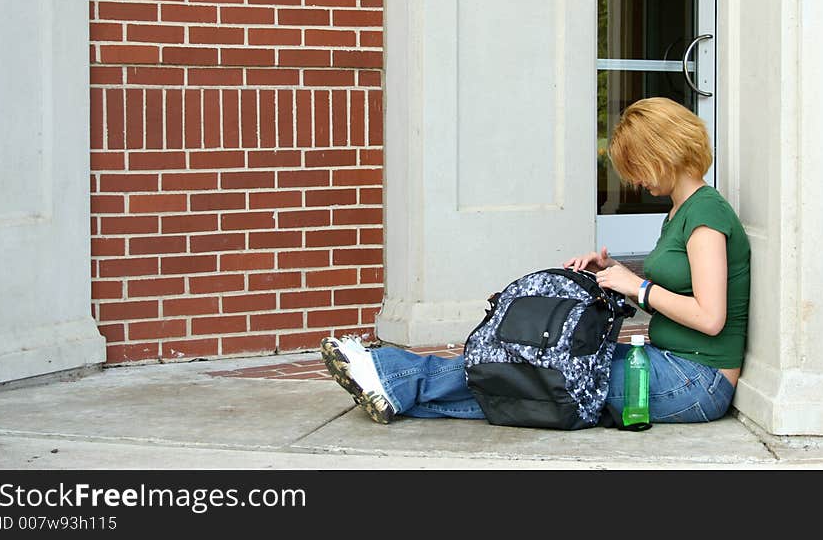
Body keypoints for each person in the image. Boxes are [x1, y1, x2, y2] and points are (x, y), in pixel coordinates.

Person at [320, 96, 751, 425]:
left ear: (662, 153)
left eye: (636, 166)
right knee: (536, 369)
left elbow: (710, 317)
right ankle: (397, 388)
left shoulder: (706, 215)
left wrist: (635, 286)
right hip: (668, 362)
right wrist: (612, 276)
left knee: (546, 375)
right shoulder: (679, 210)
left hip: (695, 381)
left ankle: (392, 375)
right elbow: (678, 295)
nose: (635, 179)